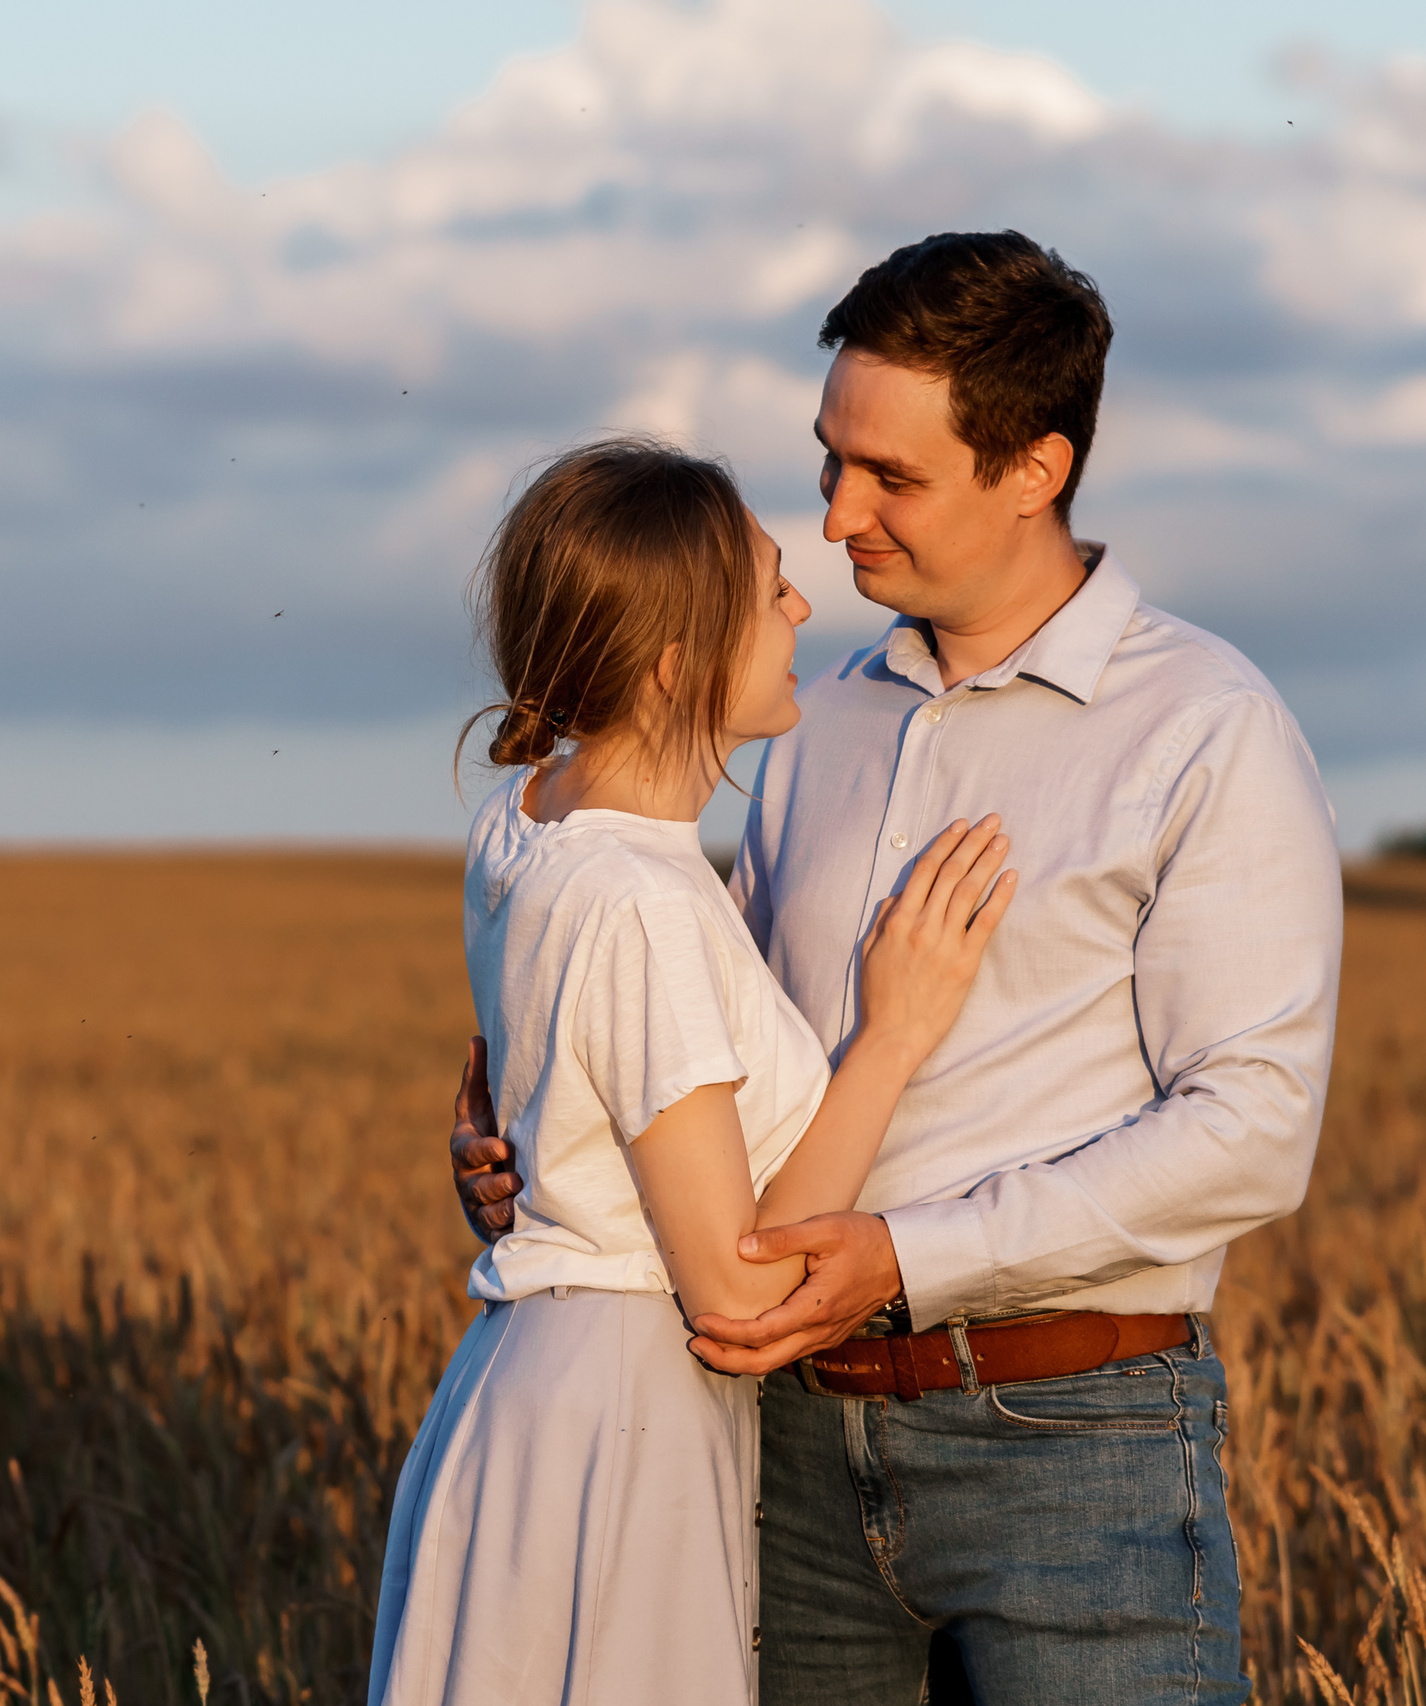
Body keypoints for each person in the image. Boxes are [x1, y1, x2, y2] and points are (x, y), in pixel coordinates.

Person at [449, 232, 1345, 1703]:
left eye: (893, 477)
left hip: (1075, 1441)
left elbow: (1250, 1130)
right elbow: (695, 1036)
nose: (835, 515)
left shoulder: (1206, 727)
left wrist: (907, 1255)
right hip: (780, 1442)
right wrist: (553, 1154)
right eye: (830, 458)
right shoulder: (818, 714)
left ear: (1036, 469)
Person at [370, 437, 1019, 1706]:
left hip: (532, 1385)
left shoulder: (527, 813)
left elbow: (554, 1085)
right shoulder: (638, 897)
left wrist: (514, 1157)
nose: (798, 607)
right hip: (623, 1418)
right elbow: (733, 1286)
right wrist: (893, 1032)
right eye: (767, 586)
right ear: (675, 659)